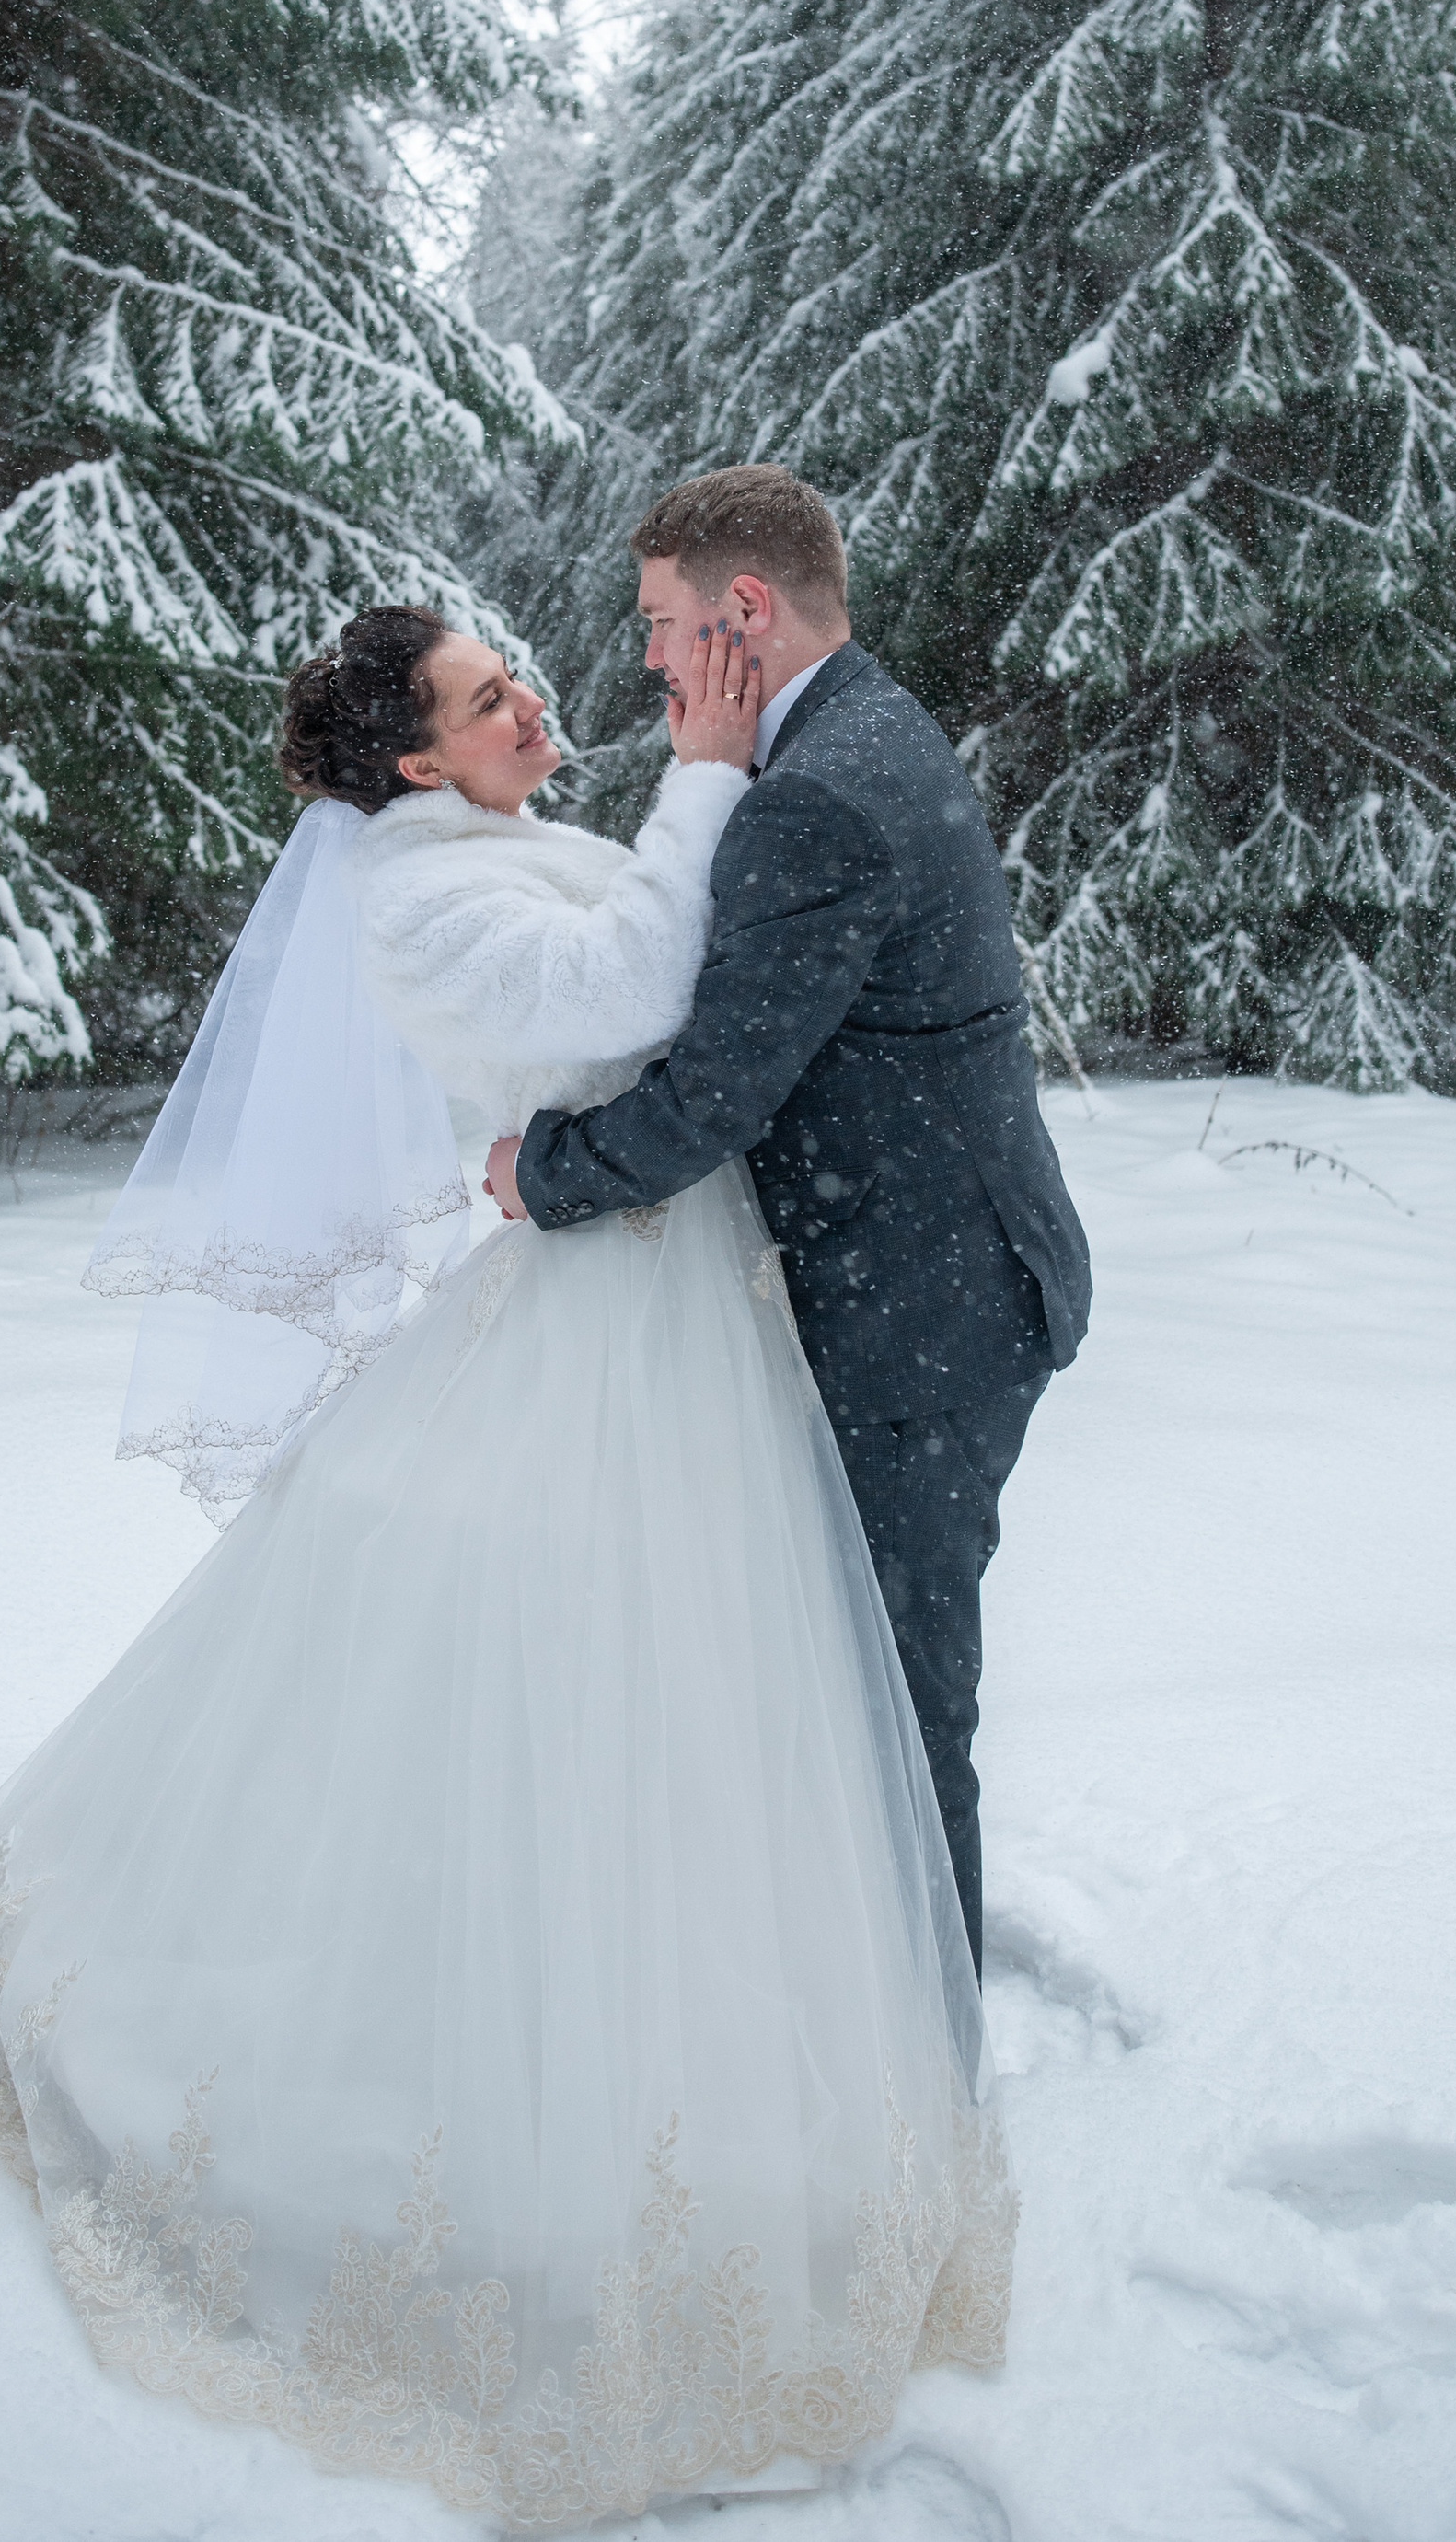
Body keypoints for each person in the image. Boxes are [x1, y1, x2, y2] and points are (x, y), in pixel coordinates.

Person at [0, 596, 1012, 2529]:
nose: (530, 700)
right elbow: (632, 989)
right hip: (600, 1322)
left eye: (517, 675)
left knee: (708, 1690)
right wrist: (714, 768)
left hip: (674, 1304)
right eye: (492, 697)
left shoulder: (494, 842)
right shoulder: (412, 896)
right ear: (413, 757)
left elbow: (678, 945)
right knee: (572, 1679)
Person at [491, 466, 1092, 1975]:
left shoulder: (815, 795)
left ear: (741, 611)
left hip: (918, 1319)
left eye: (660, 621)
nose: (643, 657)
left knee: (899, 1700)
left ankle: (928, 2066)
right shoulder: (863, 723)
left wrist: (541, 1170)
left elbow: (710, 1098)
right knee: (868, 1685)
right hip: (947, 1276)